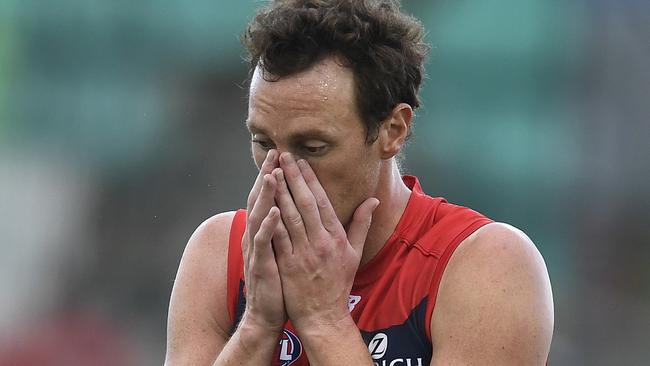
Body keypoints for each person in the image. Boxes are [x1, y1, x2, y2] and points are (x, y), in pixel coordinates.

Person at [164, 1, 554, 365]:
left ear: (393, 130)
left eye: (313, 147)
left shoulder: (486, 265)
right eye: (263, 143)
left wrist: (323, 319)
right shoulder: (219, 253)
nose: (279, 173)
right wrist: (257, 324)